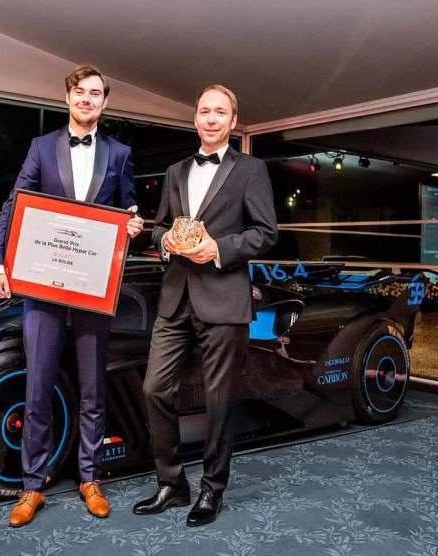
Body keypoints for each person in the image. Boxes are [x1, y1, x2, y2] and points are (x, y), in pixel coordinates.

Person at [0, 65, 144, 527]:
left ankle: (90, 478)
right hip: (44, 284)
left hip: (93, 287)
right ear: (67, 97)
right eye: (80, 92)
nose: (87, 99)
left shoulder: (120, 154)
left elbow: (128, 209)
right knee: (38, 387)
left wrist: (132, 224)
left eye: (96, 93)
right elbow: (15, 205)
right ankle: (32, 486)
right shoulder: (41, 147)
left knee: (93, 387)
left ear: (104, 102)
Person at [132, 84, 277, 527]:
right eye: (204, 111)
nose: (210, 118)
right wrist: (166, 242)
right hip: (175, 296)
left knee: (219, 401)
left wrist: (217, 249)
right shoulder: (175, 171)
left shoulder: (251, 169)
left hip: (224, 296)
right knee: (154, 389)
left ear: (232, 121)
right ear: (195, 118)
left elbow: (266, 233)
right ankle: (171, 484)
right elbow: (159, 228)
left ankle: (212, 489)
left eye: (219, 112)